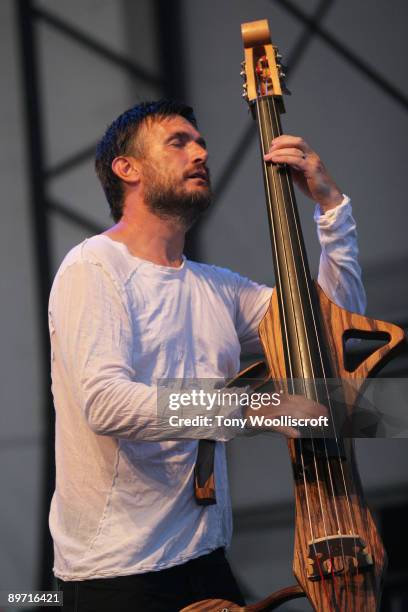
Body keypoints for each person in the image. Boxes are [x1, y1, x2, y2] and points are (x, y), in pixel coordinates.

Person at [49, 100, 366, 611]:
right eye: (178, 142)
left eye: (201, 144)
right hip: (120, 573)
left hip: (205, 555)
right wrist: (256, 409)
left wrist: (331, 208)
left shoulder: (214, 287)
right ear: (125, 168)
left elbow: (330, 329)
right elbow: (105, 404)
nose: (199, 152)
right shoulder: (93, 267)